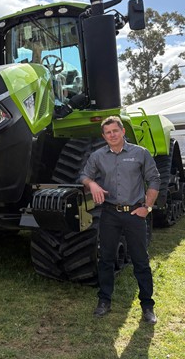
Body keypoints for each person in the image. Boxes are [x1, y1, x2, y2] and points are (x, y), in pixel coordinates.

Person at [79, 116, 160, 325]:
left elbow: (154, 179)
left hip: (134, 214)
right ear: (104, 136)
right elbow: (84, 176)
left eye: (115, 131)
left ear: (123, 131)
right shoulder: (98, 156)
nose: (112, 135)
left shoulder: (140, 153)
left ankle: (147, 306)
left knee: (141, 260)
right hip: (110, 214)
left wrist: (147, 207)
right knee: (106, 259)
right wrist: (92, 185)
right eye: (108, 132)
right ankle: (104, 301)